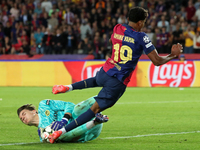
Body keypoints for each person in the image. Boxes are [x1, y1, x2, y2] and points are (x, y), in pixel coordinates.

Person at [49, 7, 183, 143]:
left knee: (96, 80)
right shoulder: (141, 37)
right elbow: (157, 61)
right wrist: (172, 55)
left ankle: (67, 87)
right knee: (94, 109)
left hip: (107, 70)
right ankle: (60, 132)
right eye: (143, 22)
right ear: (140, 22)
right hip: (118, 81)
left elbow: (112, 42)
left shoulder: (117, 28)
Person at [17, 96, 108, 143]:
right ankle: (96, 121)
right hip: (88, 131)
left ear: (33, 111)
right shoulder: (43, 134)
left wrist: (64, 120)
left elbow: (69, 105)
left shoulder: (44, 105)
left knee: (76, 109)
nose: (23, 118)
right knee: (60, 135)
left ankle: (106, 96)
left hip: (84, 116)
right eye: (21, 119)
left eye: (23, 114)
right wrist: (48, 138)